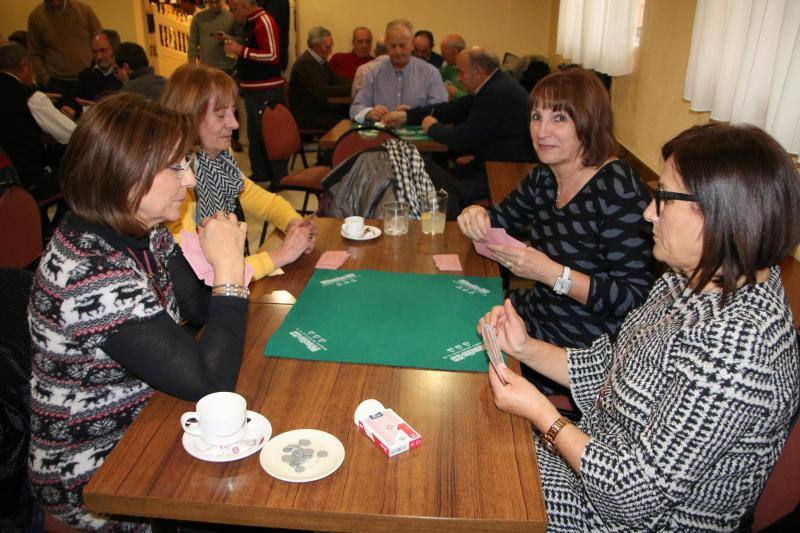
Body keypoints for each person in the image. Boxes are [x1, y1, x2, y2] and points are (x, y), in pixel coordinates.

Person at [478, 122, 800, 531]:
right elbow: (610, 372)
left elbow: (632, 497)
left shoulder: (739, 344)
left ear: (721, 214)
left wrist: (543, 414)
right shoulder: (690, 281)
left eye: (663, 197)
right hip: (590, 464)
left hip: (621, 519)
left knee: (473, 482)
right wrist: (525, 348)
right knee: (471, 438)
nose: (649, 211)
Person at [27, 92, 250, 530]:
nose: (189, 181)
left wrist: (222, 270)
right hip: (97, 473)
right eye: (175, 167)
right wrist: (229, 268)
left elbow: (202, 309)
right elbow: (210, 384)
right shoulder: (90, 274)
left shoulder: (143, 233)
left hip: (147, 421)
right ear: (125, 175)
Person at [458, 68, 653, 354]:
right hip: (540, 312)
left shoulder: (617, 188)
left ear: (590, 123)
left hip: (588, 345)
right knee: (456, 313)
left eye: (559, 118)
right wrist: (476, 214)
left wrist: (552, 274)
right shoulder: (545, 177)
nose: (541, 131)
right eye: (537, 117)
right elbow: (499, 220)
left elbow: (633, 298)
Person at [162, 63, 315, 280]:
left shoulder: (219, 161)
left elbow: (268, 203)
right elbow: (204, 275)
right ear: (190, 118)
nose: (234, 124)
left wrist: (293, 224)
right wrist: (281, 255)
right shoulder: (176, 187)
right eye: (221, 115)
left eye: (233, 112)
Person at [383, 47, 535, 205]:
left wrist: (433, 128)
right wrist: (408, 116)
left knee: (437, 187)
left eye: (461, 72)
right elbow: (453, 109)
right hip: (494, 164)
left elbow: (463, 139)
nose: (458, 78)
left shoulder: (496, 92)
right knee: (432, 174)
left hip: (504, 173)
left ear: (478, 71)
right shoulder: (494, 84)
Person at [0, 43, 75, 200]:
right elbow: (73, 135)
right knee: (81, 175)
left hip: (5, 182)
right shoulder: (31, 98)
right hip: (30, 180)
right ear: (25, 65)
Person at [226, 0, 284, 186]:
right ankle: (261, 175)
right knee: (255, 135)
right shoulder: (252, 22)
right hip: (253, 90)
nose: (234, 15)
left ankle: (278, 178)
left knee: (269, 135)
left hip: (265, 89)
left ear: (244, 5)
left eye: (235, 10)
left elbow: (273, 55)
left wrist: (241, 50)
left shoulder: (264, 21)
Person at [349, 19, 447, 124]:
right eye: (392, 46)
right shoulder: (373, 73)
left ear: (412, 44)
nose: (398, 51)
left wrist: (412, 115)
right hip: (382, 137)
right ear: (386, 44)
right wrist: (369, 113)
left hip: (418, 138)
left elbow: (442, 111)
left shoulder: (430, 73)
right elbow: (355, 109)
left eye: (402, 46)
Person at [26, 0, 101, 100]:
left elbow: (99, 40)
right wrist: (46, 79)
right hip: (57, 82)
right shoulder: (36, 17)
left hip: (88, 77)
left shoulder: (84, 10)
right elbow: (35, 52)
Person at [289, 26, 351, 131]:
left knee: (350, 111)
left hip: (318, 110)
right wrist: (353, 88)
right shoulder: (305, 63)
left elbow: (337, 80)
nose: (331, 51)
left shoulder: (320, 61)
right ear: (315, 46)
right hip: (308, 116)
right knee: (347, 118)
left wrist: (358, 83)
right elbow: (324, 91)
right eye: (327, 47)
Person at [61, 29, 122, 117]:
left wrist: (97, 107)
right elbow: (74, 101)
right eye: (94, 52)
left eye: (102, 50)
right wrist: (69, 109)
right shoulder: (84, 76)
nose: (98, 57)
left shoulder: (124, 75)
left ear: (115, 49)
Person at [188, 0, 240, 73]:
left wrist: (225, 38)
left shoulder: (233, 17)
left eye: (217, 2)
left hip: (227, 67)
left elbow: (240, 40)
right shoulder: (198, 17)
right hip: (205, 67)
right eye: (211, 2)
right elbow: (193, 42)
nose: (214, 5)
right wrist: (191, 64)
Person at [439, 33, 466, 100]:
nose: (442, 56)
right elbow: (434, 74)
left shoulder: (472, 68)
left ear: (454, 52)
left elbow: (476, 98)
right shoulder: (451, 67)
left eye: (443, 52)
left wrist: (456, 93)